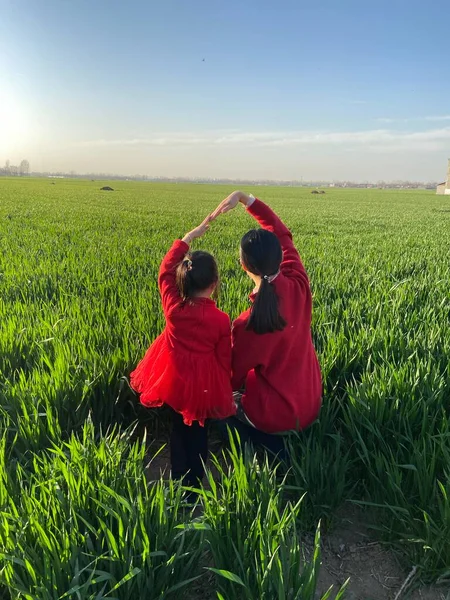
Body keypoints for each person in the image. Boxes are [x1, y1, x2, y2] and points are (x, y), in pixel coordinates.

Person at [211, 191, 322, 457]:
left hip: (277, 416)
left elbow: (232, 379)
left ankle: (263, 445)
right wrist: (245, 199)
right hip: (311, 402)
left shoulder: (248, 323)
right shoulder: (298, 283)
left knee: (216, 405)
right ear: (280, 258)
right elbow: (282, 234)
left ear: (242, 265)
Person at [130, 215, 235, 486]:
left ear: (183, 282)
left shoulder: (174, 308)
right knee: (199, 431)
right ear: (214, 284)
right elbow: (224, 359)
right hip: (204, 384)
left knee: (178, 428)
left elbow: (165, 271)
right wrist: (222, 385)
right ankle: (196, 482)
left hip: (174, 378)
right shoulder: (222, 320)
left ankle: (178, 480)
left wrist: (189, 237)